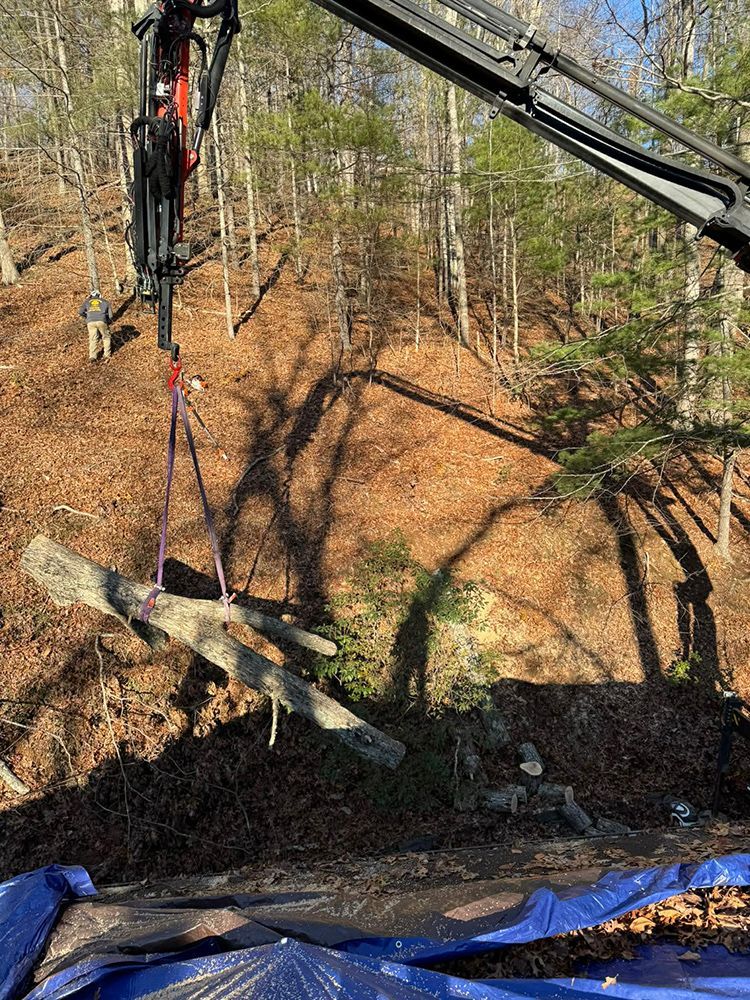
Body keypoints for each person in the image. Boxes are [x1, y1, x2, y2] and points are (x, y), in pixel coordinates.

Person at [79, 290, 113, 362]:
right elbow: (111, 316)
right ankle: (107, 355)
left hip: (90, 322)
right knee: (106, 337)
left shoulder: (87, 301)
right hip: (102, 320)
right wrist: (107, 320)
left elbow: (80, 312)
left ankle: (92, 356)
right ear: (100, 295)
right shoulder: (105, 302)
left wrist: (87, 316)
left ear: (91, 295)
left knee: (93, 339)